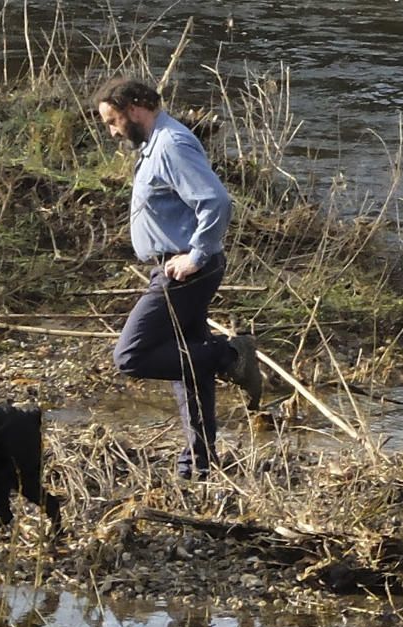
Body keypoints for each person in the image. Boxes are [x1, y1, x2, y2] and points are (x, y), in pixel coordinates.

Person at [93, 77, 261, 480]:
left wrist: (196, 255)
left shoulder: (171, 143)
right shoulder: (155, 145)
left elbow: (215, 200)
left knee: (130, 356)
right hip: (173, 266)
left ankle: (231, 356)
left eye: (114, 121)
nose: (114, 132)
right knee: (188, 364)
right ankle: (198, 466)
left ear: (135, 107)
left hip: (185, 272)